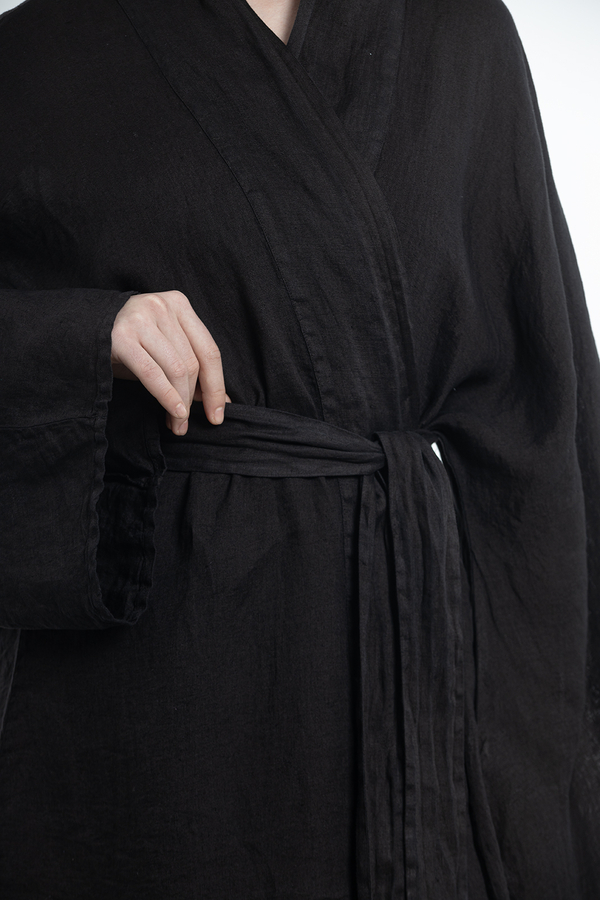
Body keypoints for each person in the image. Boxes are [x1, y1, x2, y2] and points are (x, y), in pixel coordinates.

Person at [0, 0, 598, 897]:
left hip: (415, 644)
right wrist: (85, 335)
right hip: (165, 677)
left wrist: (551, 731)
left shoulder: (463, 33)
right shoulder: (38, 52)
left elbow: (541, 387)